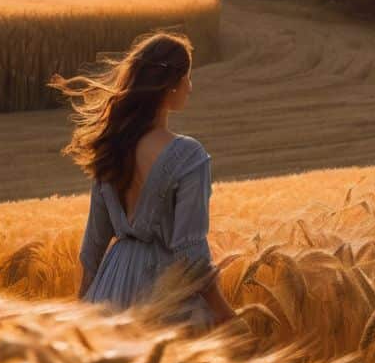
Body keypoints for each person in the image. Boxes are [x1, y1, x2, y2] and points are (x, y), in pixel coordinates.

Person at [48, 30, 237, 330]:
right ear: (170, 85)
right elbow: (190, 252)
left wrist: (84, 310)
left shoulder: (109, 148)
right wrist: (225, 312)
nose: (190, 86)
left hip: (109, 291)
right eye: (187, 77)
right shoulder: (189, 155)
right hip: (165, 295)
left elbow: (94, 245)